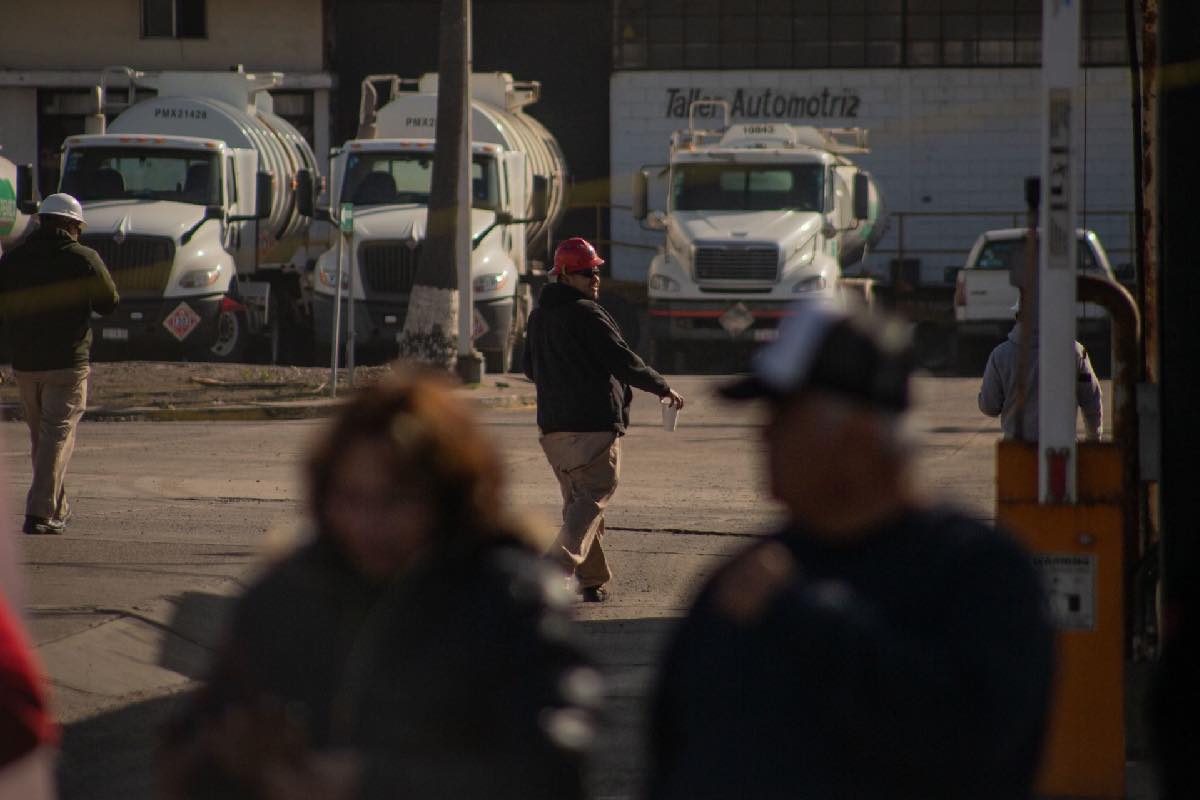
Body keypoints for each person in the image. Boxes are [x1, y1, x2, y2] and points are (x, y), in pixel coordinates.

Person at [646, 303, 1055, 800]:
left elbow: (977, 745)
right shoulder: (743, 579)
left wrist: (802, 619)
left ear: (859, 438)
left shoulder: (976, 573)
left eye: (784, 416)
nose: (764, 434)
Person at [160, 371, 600, 800]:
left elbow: (553, 769)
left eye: (395, 499)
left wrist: (370, 783)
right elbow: (191, 742)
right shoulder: (288, 591)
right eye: (350, 498)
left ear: (448, 495)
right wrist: (233, 761)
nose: (368, 525)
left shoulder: (508, 599)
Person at [523, 237, 683, 602]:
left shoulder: (538, 316)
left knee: (578, 504)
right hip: (592, 426)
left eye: (596, 271)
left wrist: (560, 379)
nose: (594, 279)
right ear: (564, 276)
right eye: (585, 273)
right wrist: (661, 386)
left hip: (553, 431)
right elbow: (621, 359)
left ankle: (591, 579)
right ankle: (555, 566)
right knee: (593, 496)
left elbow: (529, 369)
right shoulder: (587, 313)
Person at [0, 193, 118, 535]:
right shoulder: (84, 258)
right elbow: (109, 302)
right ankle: (38, 513)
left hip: (25, 365)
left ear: (42, 221)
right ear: (71, 225)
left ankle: (57, 508)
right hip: (67, 363)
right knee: (56, 436)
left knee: (44, 438)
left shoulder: (14, 260)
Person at [979, 301, 1102, 441]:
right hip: (1061, 452)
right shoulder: (1074, 352)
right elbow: (1092, 400)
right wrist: (1093, 439)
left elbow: (989, 406)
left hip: (1016, 451)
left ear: (1018, 317)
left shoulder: (1000, 355)